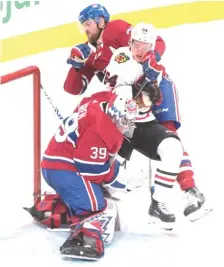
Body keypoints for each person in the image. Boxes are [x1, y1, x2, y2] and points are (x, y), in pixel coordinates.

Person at [102, 22, 210, 223]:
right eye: (136, 44)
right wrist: (135, 92)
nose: (140, 50)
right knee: (108, 168)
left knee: (172, 145)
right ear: (129, 41)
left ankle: (164, 199)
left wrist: (154, 83)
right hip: (118, 122)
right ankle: (96, 199)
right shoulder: (121, 57)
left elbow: (154, 99)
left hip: (142, 122)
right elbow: (110, 92)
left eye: (146, 46)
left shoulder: (155, 65)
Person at [27, 90, 139, 260]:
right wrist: (122, 180)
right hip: (62, 169)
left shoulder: (103, 100)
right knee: (97, 206)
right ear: (114, 114)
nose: (127, 125)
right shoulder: (100, 128)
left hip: (58, 162)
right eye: (124, 120)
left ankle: (55, 209)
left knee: (99, 194)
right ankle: (83, 238)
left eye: (130, 121)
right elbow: (92, 170)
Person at [63, 3, 165, 95]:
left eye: (88, 24)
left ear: (101, 21)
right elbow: (73, 89)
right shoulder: (88, 52)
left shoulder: (115, 29)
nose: (85, 30)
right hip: (124, 97)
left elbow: (158, 42)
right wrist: (76, 66)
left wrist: (150, 60)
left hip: (150, 85)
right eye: (83, 26)